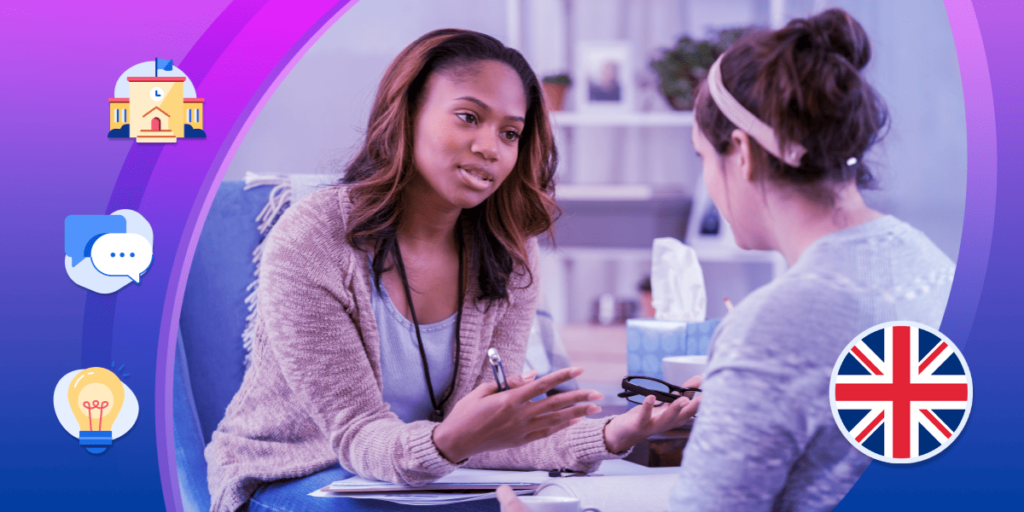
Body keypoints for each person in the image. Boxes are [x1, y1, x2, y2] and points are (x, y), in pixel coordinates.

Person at [205, 29, 699, 512]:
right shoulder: (315, 238)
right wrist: (450, 440)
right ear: (408, 114)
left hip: (429, 475)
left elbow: (485, 437)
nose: (492, 148)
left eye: (510, 133)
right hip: (295, 473)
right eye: (468, 117)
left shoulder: (510, 253)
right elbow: (357, 434)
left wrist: (612, 433)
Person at [499, 7, 955, 512]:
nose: (709, 186)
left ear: (740, 151)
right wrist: (748, 398)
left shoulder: (775, 324)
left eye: (702, 158)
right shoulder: (938, 270)